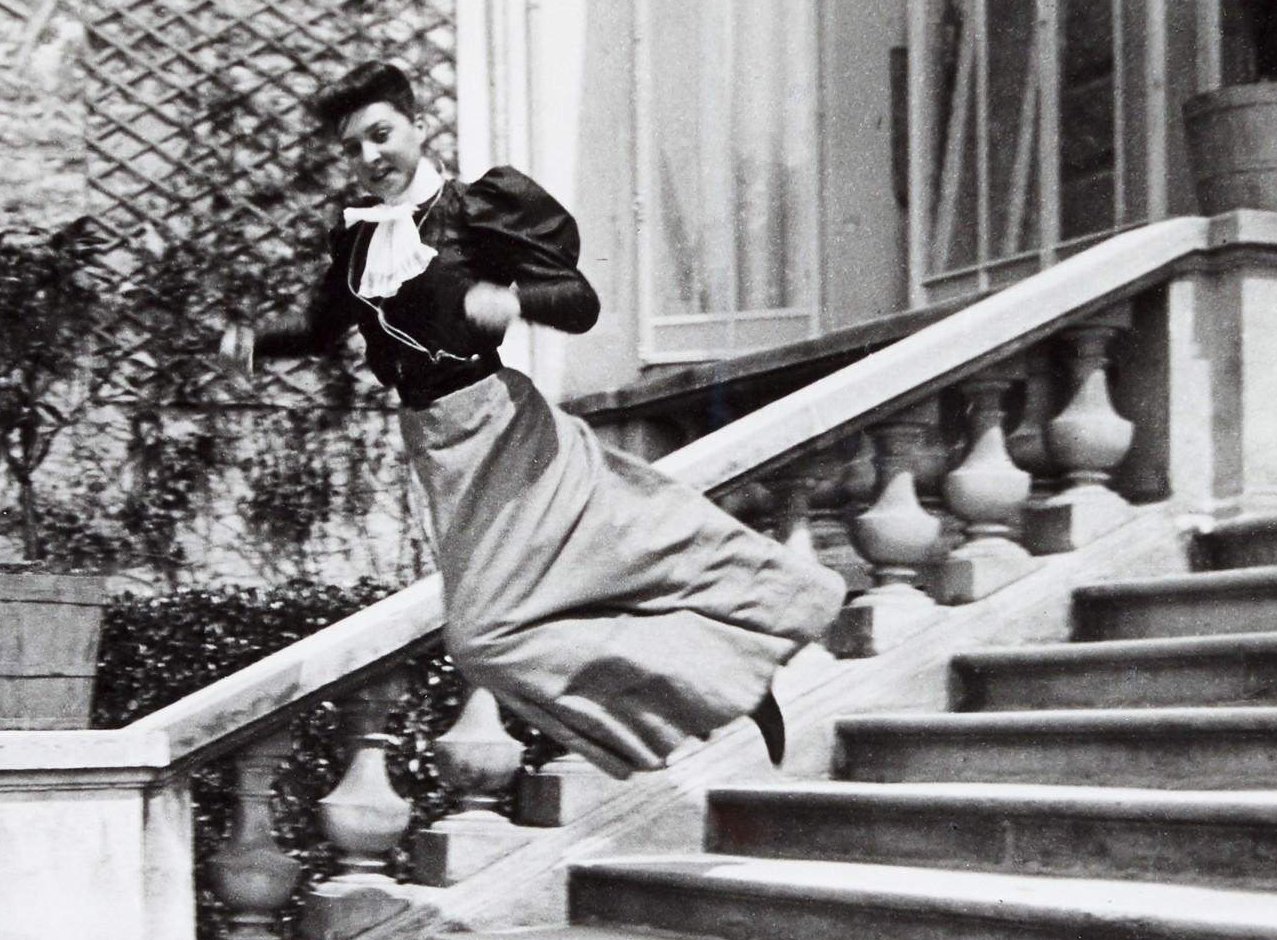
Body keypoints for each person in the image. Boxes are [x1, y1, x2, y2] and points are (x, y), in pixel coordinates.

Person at [217, 61, 844, 777]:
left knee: (496, 629)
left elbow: (579, 301)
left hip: (498, 426)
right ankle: (716, 682)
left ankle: (732, 665)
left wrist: (517, 302)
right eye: (352, 147)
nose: (368, 158)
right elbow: (324, 327)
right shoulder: (359, 240)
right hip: (435, 446)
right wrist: (256, 343)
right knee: (519, 622)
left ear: (419, 127)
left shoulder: (477, 210)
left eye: (381, 134)